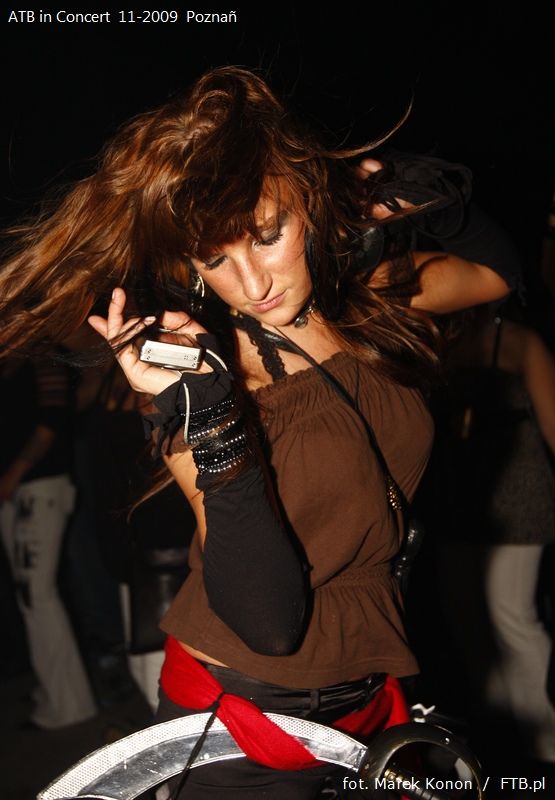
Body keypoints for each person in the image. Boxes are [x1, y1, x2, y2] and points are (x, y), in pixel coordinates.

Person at [0, 67, 519, 797]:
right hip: (239, 726)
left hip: (370, 699)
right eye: (216, 258)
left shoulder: (366, 300)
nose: (253, 283)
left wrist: (401, 188)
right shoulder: (201, 379)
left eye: (268, 237)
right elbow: (269, 624)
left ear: (309, 205)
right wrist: (214, 420)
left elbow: (498, 273)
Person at [434, 305, 555, 765]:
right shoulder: (441, 341)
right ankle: (499, 741)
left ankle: (547, 745)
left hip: (519, 497)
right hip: (460, 491)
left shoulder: (522, 341)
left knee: (512, 617)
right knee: (467, 620)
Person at [0, 354, 97, 728]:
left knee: (37, 596)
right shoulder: (12, 361)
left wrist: (14, 473)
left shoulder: (40, 355)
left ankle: (68, 705)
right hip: (22, 492)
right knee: (32, 597)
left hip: (39, 487)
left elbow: (53, 420)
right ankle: (54, 692)